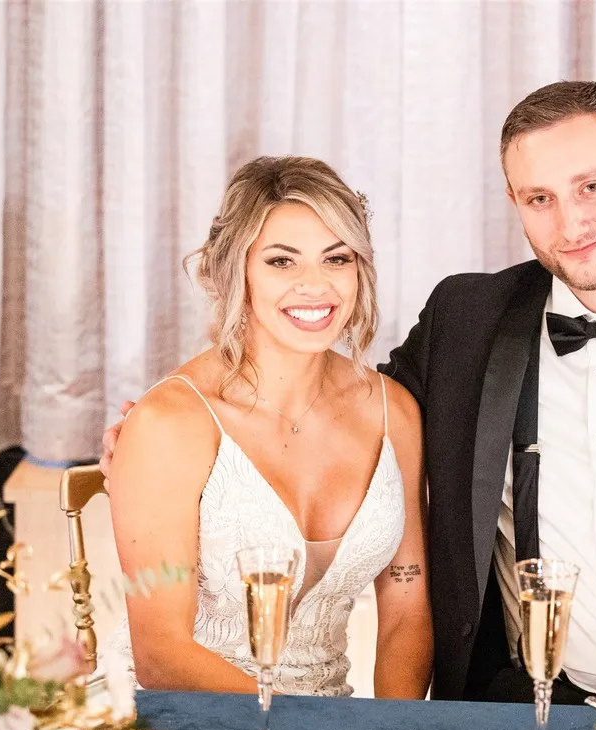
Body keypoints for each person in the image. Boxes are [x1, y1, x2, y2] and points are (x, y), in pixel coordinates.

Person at [102, 81, 596, 706]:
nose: (572, 221)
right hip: (522, 710)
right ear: (514, 203)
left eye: (592, 186)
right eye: (539, 198)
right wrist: (155, 430)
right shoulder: (465, 322)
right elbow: (315, 400)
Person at [101, 155, 431, 698]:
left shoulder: (393, 411)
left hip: (330, 727)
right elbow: (160, 653)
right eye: (281, 261)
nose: (314, 286)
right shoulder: (170, 423)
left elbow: (407, 608)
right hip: (171, 715)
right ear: (238, 271)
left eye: (336, 259)